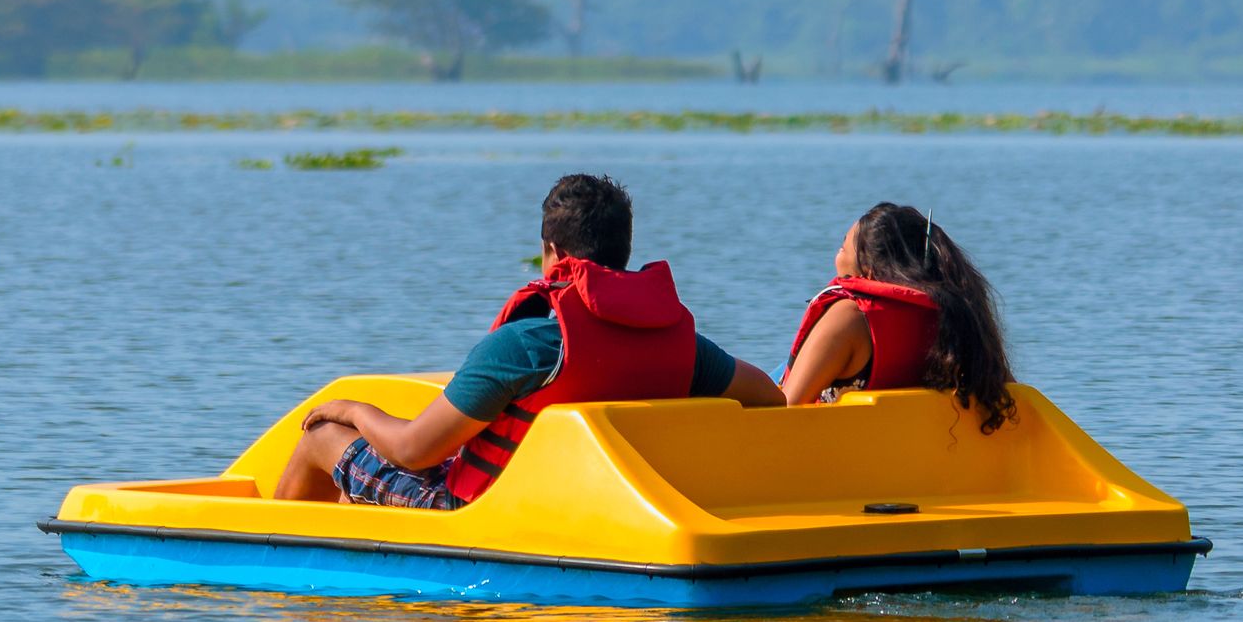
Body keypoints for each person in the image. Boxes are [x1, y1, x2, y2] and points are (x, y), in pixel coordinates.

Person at [273, 172, 782, 509]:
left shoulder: (528, 345)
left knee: (321, 439)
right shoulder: (682, 346)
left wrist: (352, 410)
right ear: (624, 253)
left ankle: (273, 578)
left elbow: (414, 451)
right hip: (598, 507)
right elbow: (769, 397)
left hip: (484, 511)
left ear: (553, 253)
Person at [781, 201, 1015, 427]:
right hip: (916, 453)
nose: (837, 254)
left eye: (843, 248)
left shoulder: (849, 317)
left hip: (841, 454)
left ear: (869, 271)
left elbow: (786, 408)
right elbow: (1009, 391)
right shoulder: (955, 319)